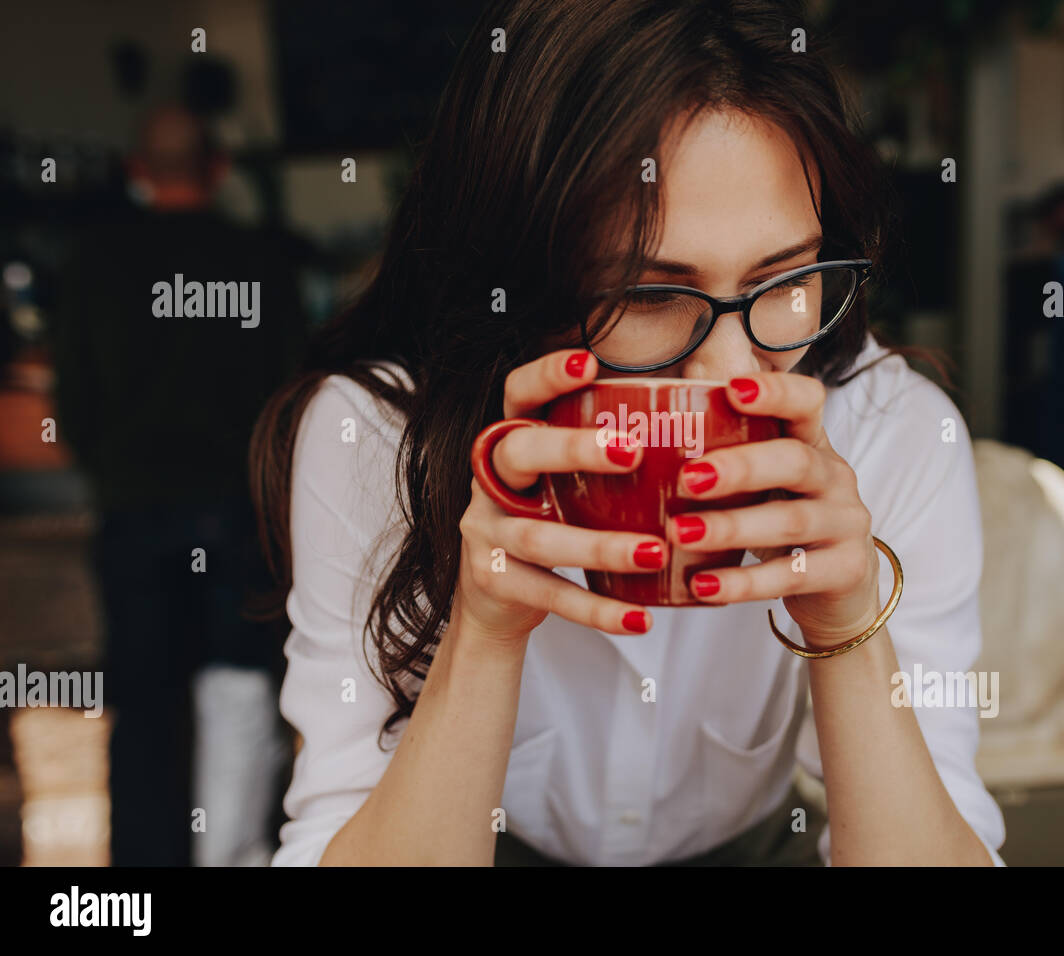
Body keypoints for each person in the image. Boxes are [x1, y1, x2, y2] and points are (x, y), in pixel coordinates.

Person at [255, 0, 1006, 866]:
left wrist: (847, 625)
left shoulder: (892, 434)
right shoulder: (376, 437)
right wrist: (483, 635)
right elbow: (333, 830)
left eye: (786, 277)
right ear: (516, 286)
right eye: (649, 296)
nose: (732, 376)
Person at [47, 103, 305, 865]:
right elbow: (294, 392)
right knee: (239, 696)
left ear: (136, 174)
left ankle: (140, 881)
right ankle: (230, 856)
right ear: (219, 171)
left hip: (134, 511)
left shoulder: (92, 262)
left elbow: (75, 400)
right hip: (238, 512)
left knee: (146, 704)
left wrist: (109, 471)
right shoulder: (263, 260)